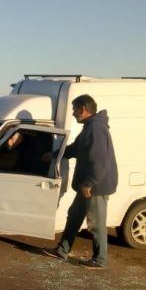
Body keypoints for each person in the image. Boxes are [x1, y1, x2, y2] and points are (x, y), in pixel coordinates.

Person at [43, 94, 118, 269]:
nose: (73, 114)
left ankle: (100, 260)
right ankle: (62, 250)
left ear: (83, 110)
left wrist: (90, 183)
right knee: (74, 216)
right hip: (87, 185)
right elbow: (75, 149)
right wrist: (55, 155)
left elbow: (99, 160)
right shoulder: (89, 128)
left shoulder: (96, 129)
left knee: (96, 224)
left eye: (75, 110)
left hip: (94, 187)